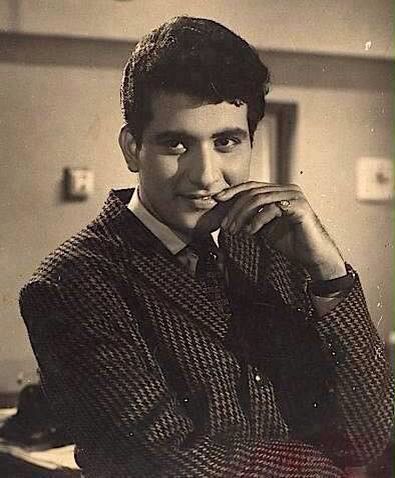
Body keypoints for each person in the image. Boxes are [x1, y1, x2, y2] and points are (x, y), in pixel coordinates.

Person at [20, 16, 393, 478]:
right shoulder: (71, 282)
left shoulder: (276, 251)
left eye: (226, 142)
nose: (205, 175)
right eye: (177, 144)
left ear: (250, 141)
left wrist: (330, 274)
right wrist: (331, 468)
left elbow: (372, 435)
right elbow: (166, 459)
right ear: (132, 148)